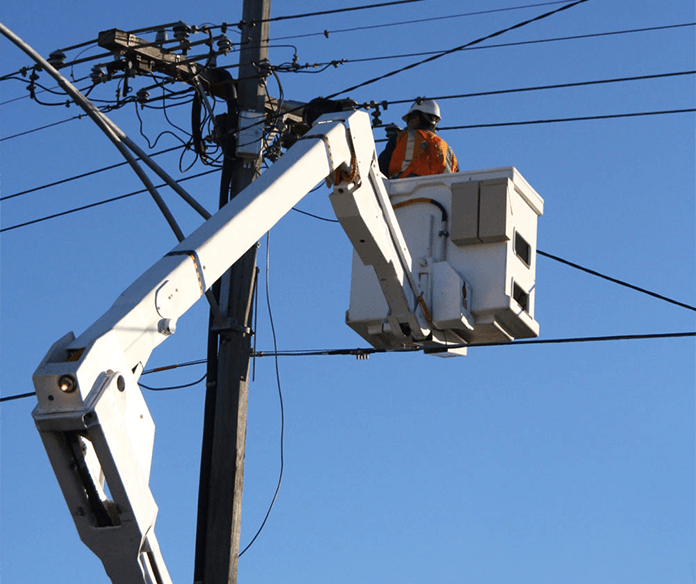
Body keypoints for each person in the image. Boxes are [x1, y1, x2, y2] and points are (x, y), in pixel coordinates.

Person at [378, 99, 458, 179]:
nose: (408, 125)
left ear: (416, 119)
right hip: (440, 190)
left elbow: (381, 167)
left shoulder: (402, 138)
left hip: (402, 188)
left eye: (409, 120)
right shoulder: (448, 149)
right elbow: (458, 179)